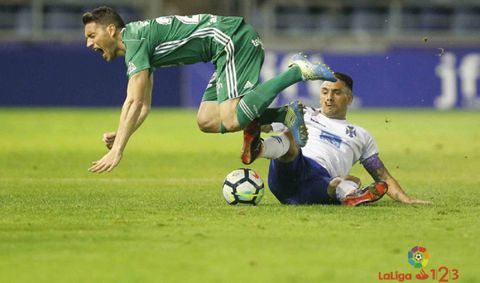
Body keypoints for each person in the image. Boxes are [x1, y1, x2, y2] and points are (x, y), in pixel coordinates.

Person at [81, 6, 336, 173]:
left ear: (111, 30)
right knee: (207, 120)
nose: (89, 43)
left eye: (92, 35)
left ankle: (296, 71)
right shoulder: (138, 42)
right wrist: (124, 132)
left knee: (232, 118)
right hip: (222, 51)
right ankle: (282, 115)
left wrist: (118, 150)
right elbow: (144, 106)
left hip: (233, 40)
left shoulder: (134, 40)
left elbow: (133, 103)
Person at [254, 72, 432, 206]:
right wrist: (250, 120)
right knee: (290, 138)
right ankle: (258, 148)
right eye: (324, 92)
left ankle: (350, 195)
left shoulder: (361, 135)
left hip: (318, 187)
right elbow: (264, 125)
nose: (329, 98)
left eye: (336, 93)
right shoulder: (303, 114)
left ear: (350, 98)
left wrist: (406, 199)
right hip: (287, 173)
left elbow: (382, 176)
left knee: (347, 180)